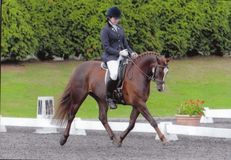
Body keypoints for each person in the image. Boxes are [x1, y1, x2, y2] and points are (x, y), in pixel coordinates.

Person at [100, 6, 138, 109]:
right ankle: (108, 97)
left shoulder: (120, 29)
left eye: (118, 18)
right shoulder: (105, 30)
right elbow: (106, 47)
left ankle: (124, 93)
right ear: (109, 18)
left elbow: (125, 44)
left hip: (123, 55)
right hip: (111, 57)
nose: (117, 20)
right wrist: (119, 52)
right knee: (114, 74)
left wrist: (132, 52)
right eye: (115, 18)